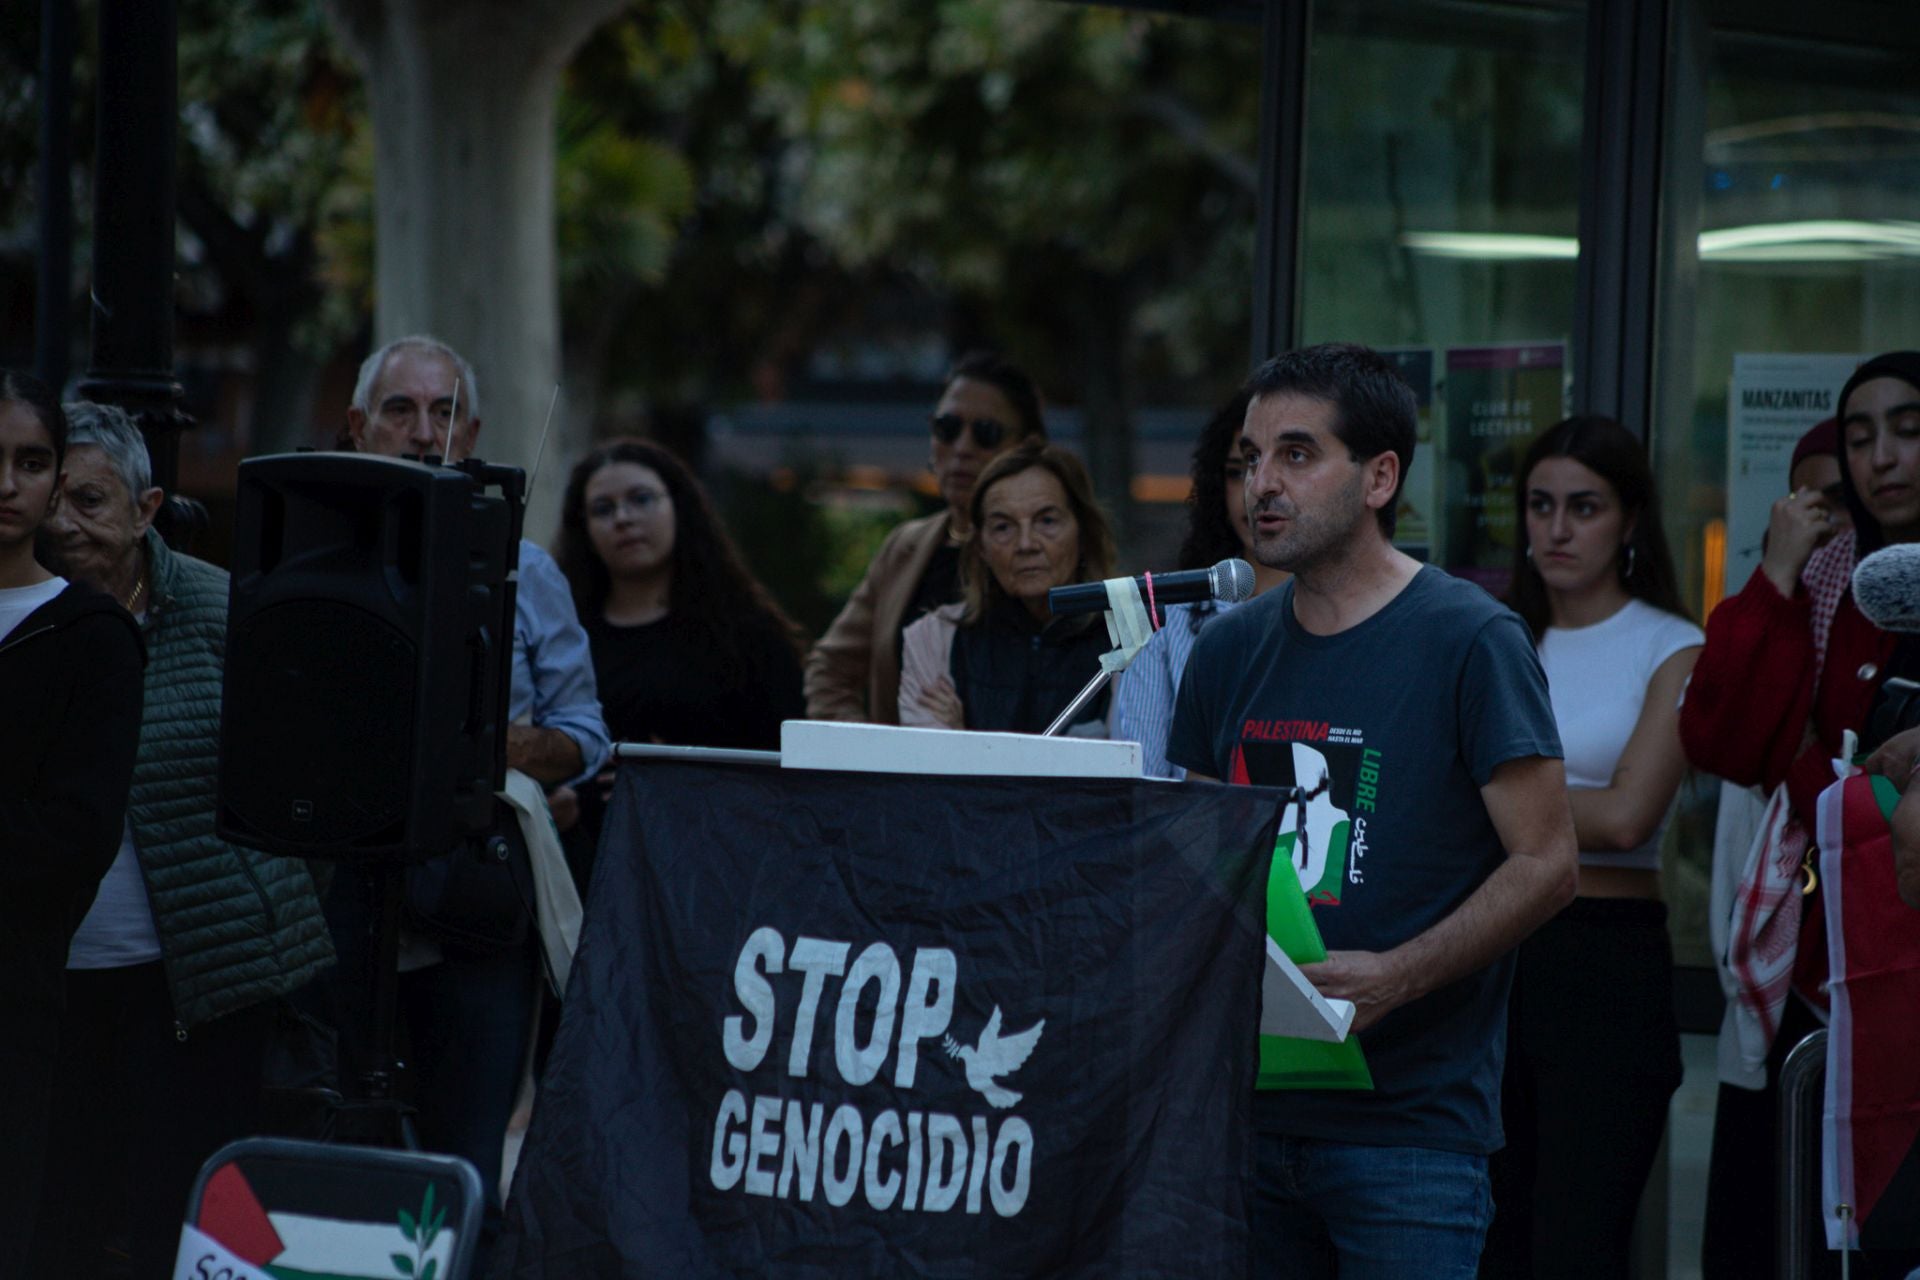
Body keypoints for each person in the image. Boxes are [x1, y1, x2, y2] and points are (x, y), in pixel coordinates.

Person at [1164, 343, 1577, 1276]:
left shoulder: (1471, 636)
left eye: (1297, 455)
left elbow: (1549, 866)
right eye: (1249, 458)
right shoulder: (1225, 653)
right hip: (1244, 1114)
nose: (1262, 485)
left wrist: (1399, 974)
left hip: (1411, 1131)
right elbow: (1192, 855)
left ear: (1381, 476)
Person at [26, 402, 335, 1278]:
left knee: (190, 1216)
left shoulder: (218, 608)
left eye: (90, 500)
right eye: (55, 498)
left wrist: (260, 903)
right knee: (60, 1215)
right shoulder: (20, 609)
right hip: (51, 980)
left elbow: (291, 782)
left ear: (148, 507)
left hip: (195, 980)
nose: (63, 523)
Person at [335, 335, 610, 1243]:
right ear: (358, 429)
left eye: (443, 412)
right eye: (400, 411)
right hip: (337, 902)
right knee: (337, 1158)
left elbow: (588, 736)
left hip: (476, 904)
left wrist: (498, 747)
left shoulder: (528, 573)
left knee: (463, 1168)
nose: (424, 433)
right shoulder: (313, 555)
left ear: (475, 433)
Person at [1682, 351, 1920, 1280]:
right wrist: (1777, 575)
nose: (1881, 458)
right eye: (1859, 438)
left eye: (1907, 429)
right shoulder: (1833, 581)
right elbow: (1727, 741)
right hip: (1835, 951)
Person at [1479, 417, 1702, 1279]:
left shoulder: (1671, 644)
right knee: (1493, 1240)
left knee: (1579, 1244)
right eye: (1540, 506)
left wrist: (1491, 799)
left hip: (1608, 961)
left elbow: (1625, 819)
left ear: (1630, 521)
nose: (1558, 529)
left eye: (1584, 506)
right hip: (1497, 950)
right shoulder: (1492, 635)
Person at [0, 372, 145, 1269]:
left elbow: (76, 835)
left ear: (56, 481)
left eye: (31, 461)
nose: (7, 482)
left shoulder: (89, 635)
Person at [551, 437, 805, 846]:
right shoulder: (560, 636)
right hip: (578, 873)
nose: (623, 518)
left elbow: (789, 771)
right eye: (603, 508)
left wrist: (684, 781)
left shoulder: (746, 635)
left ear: (679, 507)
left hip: (710, 866)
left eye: (641, 499)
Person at [805, 351, 1046, 724]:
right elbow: (830, 667)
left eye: (986, 433)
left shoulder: (1045, 551)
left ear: (1026, 447)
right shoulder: (907, 546)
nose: (962, 448)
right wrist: (864, 754)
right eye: (947, 428)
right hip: (898, 779)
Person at [1110, 389, 1288, 778]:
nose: (1256, 488)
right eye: (1238, 470)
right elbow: (1140, 783)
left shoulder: (1342, 609)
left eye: (1286, 463)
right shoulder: (1168, 612)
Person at [897, 441, 1116, 735]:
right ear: (981, 548)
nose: (1026, 544)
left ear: (1083, 533)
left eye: (1047, 521)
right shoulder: (934, 639)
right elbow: (930, 770)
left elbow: (1131, 768)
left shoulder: (1131, 641)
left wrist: (965, 741)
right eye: (1003, 527)